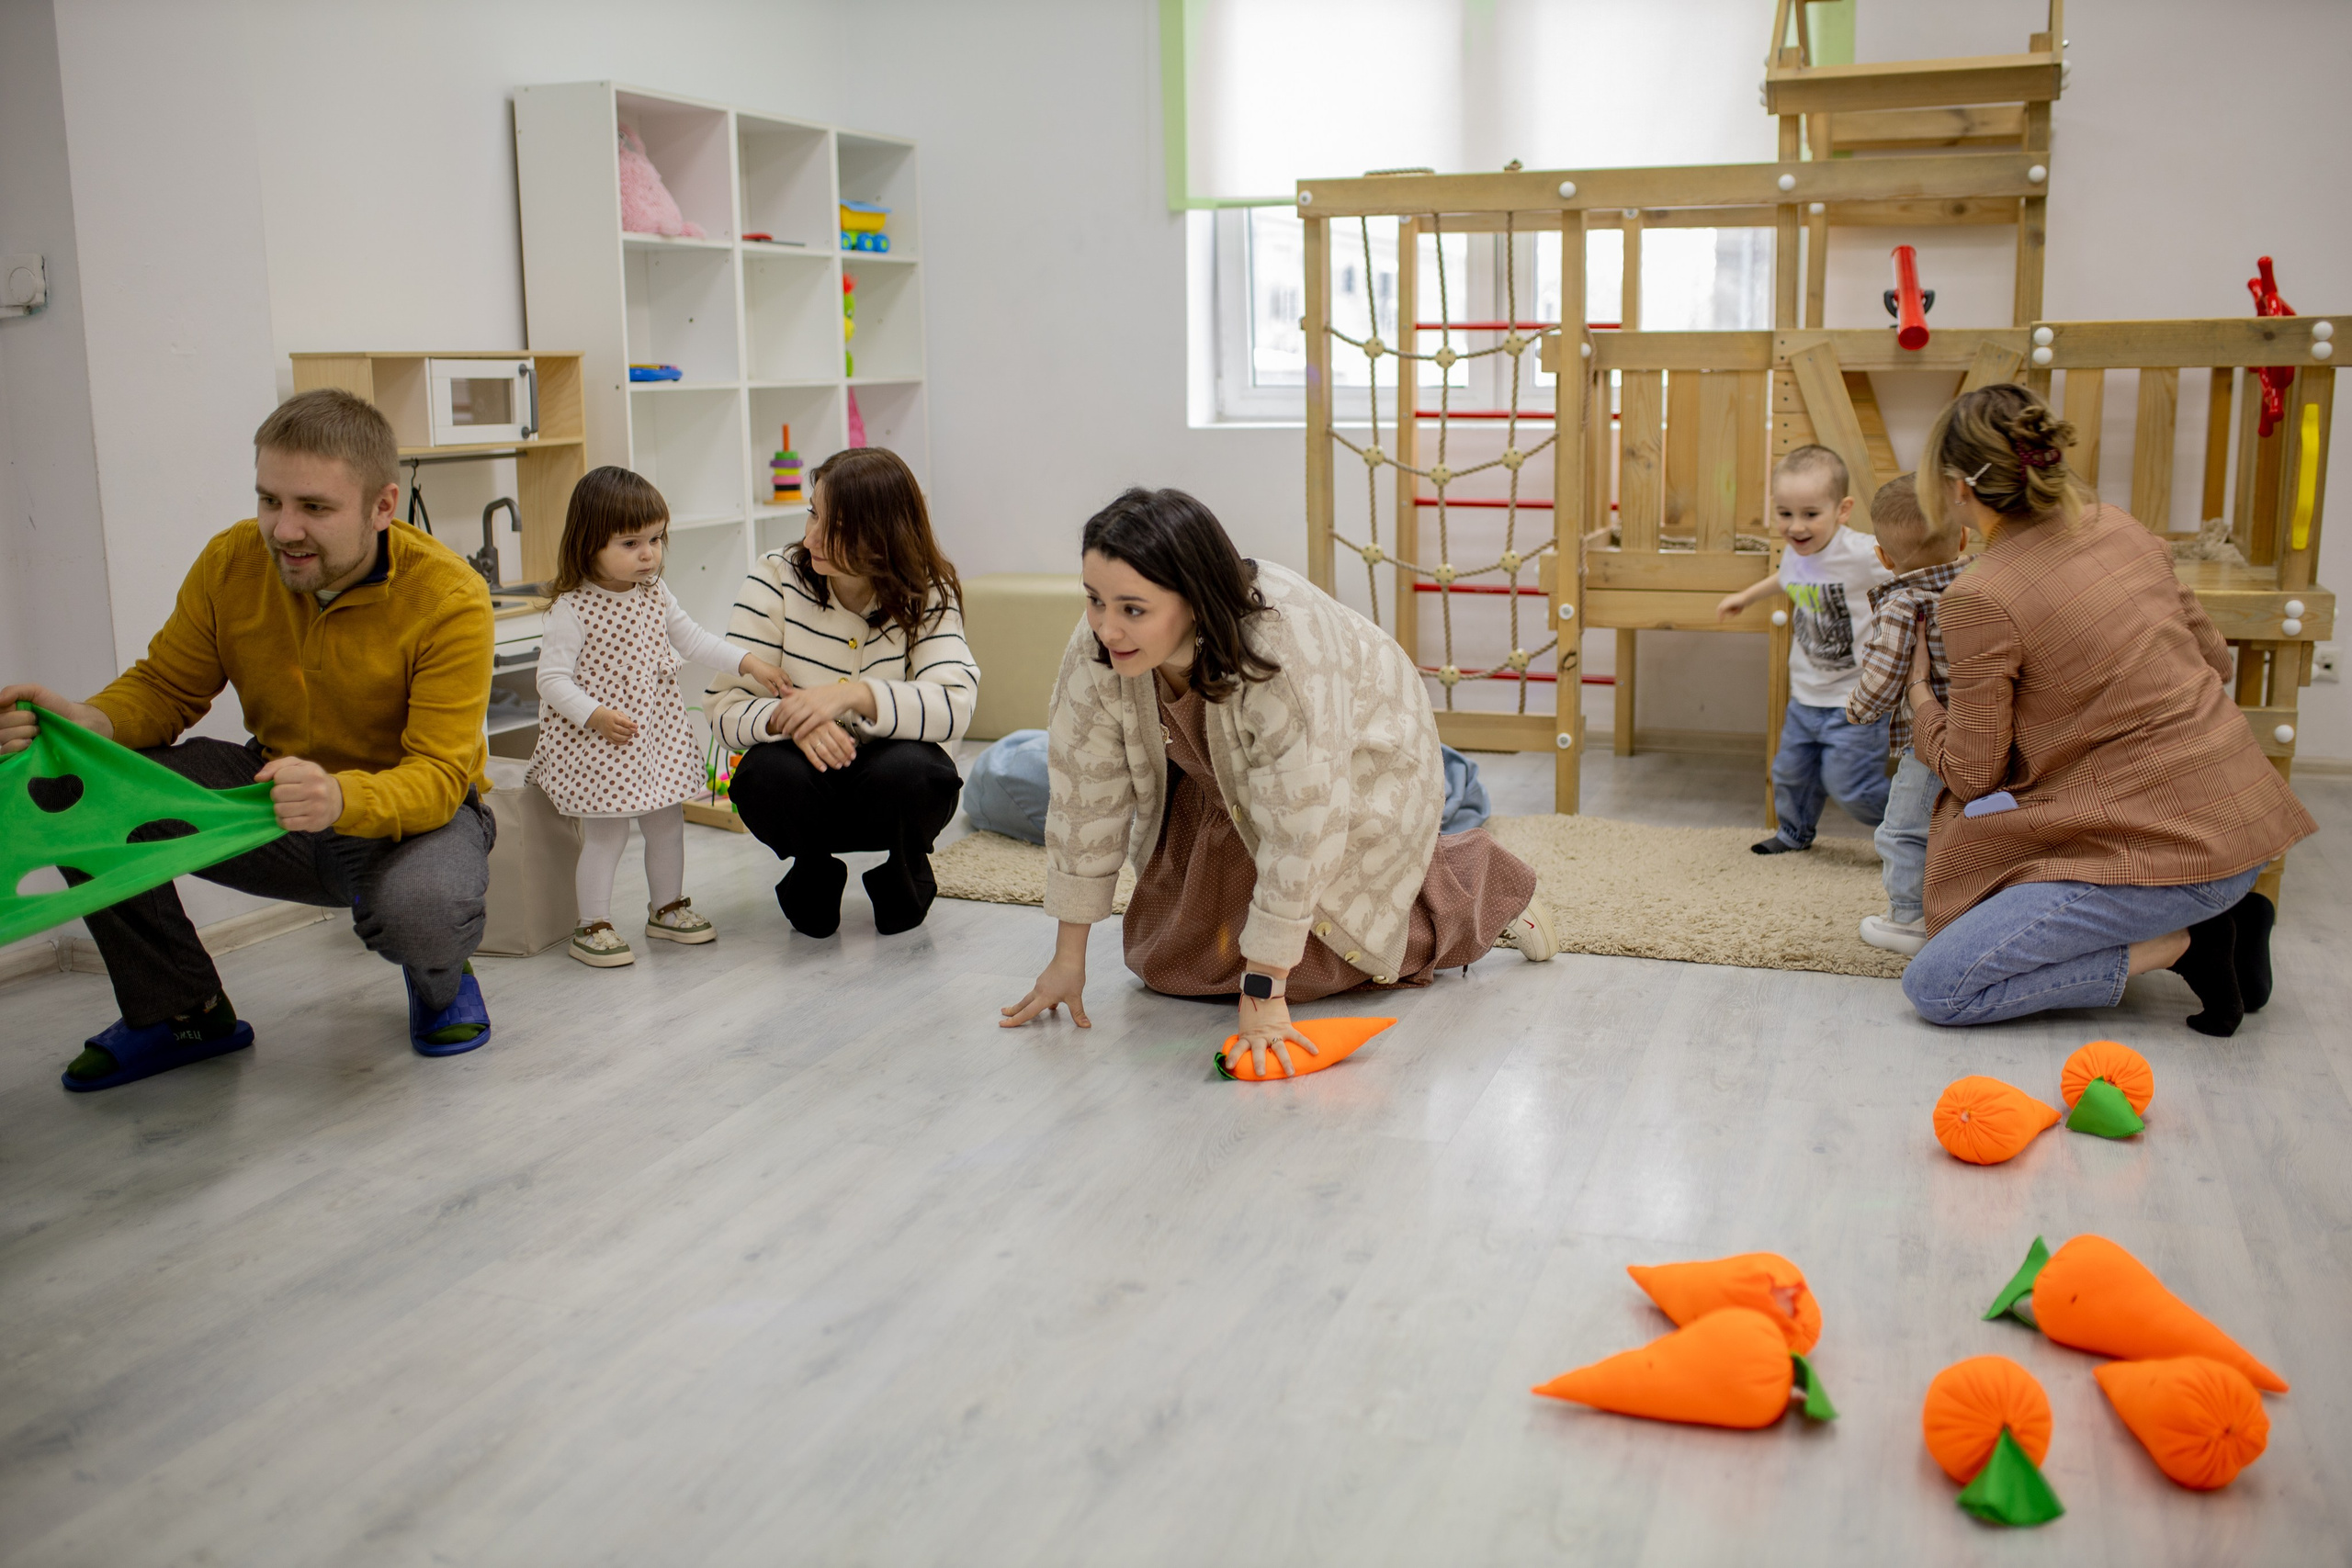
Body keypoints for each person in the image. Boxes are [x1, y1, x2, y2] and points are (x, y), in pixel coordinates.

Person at [0, 389, 502, 1089]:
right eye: (270, 500)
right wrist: (92, 724)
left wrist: (336, 796)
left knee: (421, 908)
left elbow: (440, 776)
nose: (283, 529)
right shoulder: (232, 562)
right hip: (275, 806)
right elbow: (167, 687)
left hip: (413, 822)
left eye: (314, 508)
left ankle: (439, 978)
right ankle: (181, 1011)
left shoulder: (450, 597)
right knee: (71, 785)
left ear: (383, 507)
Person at [998, 487, 1559, 1079]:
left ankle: (1474, 879)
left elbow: (1303, 828)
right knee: (1172, 964)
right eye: (1093, 600)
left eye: (1132, 610)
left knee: (1325, 962)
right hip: (1218, 776)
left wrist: (1265, 997)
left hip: (1357, 762)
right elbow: (1087, 795)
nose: (1107, 628)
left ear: (1192, 599)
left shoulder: (1277, 654)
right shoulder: (1101, 647)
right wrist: (1067, 960)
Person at [1898, 383, 2314, 1035]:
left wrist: (1921, 698)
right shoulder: (2120, 525)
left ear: (1956, 487)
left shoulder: (1980, 594)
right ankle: (2234, 910)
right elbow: (2218, 664)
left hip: (2176, 862)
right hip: (2243, 830)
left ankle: (2192, 942)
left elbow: (1974, 774)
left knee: (1940, 986)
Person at [706, 446, 977, 937]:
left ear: (884, 533)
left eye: (835, 526)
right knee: (763, 775)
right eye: (813, 513)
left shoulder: (928, 590)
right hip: (805, 780)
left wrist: (854, 697)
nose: (811, 537)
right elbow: (725, 708)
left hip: (886, 782)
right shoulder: (776, 578)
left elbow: (955, 703)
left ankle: (904, 868)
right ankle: (812, 871)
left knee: (921, 773)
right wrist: (794, 719)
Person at [529, 467, 790, 967]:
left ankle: (666, 908)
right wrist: (595, 715)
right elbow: (552, 681)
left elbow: (692, 639)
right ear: (589, 543)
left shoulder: (654, 593)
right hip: (601, 741)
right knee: (607, 833)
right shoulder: (572, 609)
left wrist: (749, 662)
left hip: (654, 734)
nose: (649, 554)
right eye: (631, 542)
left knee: (667, 822)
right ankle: (594, 924)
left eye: (655, 539)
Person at [1717, 445, 1896, 855]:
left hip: (1856, 700)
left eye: (1810, 514)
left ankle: (1918, 828)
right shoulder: (1796, 552)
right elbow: (1786, 577)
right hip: (1806, 696)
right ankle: (1794, 834)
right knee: (1791, 774)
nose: (1796, 526)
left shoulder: (1862, 553)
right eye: (1785, 514)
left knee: (1851, 787)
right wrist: (1746, 596)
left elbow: (1907, 566)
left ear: (1842, 509)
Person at [1842, 472, 1971, 957]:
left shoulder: (1904, 604)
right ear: (1963, 536)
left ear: (1882, 557)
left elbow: (1883, 678)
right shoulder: (1985, 584)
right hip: (1991, 732)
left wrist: (1857, 710)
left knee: (1904, 829)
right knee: (1963, 826)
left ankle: (1908, 918)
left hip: (1932, 742)